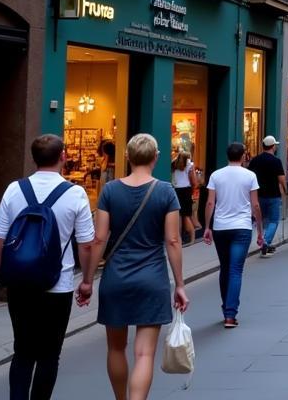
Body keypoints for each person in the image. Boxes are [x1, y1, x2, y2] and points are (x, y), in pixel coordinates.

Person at [80, 133, 187, 400]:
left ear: (127, 157)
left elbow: (100, 238)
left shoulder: (111, 191)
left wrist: (87, 280)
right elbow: (172, 240)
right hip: (152, 278)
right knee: (144, 353)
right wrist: (180, 284)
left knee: (116, 349)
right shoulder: (165, 192)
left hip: (116, 277)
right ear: (156, 158)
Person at [0, 134, 95, 400]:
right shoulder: (75, 194)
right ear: (63, 156)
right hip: (57, 285)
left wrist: (7, 272)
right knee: (50, 354)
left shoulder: (14, 190)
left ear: (33, 157)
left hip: (20, 286)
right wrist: (86, 280)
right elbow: (86, 244)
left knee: (23, 351)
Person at [203, 141, 264, 327]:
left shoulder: (216, 175)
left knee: (225, 267)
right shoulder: (250, 176)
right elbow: (255, 205)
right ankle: (230, 313)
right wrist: (260, 229)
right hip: (242, 227)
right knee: (236, 270)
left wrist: (207, 226)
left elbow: (210, 203)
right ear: (244, 155)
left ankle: (226, 308)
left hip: (221, 227)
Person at [247, 135, 286, 257]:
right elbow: (281, 178)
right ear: (273, 146)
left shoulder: (255, 160)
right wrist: (285, 189)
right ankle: (265, 242)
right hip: (273, 194)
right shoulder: (276, 161)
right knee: (274, 220)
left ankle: (263, 240)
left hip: (258, 194)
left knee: (260, 220)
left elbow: (249, 176)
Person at [171, 150, 199, 245]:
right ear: (188, 158)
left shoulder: (173, 164)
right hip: (186, 191)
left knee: (178, 215)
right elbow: (194, 181)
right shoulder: (189, 165)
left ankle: (179, 238)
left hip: (176, 190)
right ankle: (192, 238)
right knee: (186, 215)